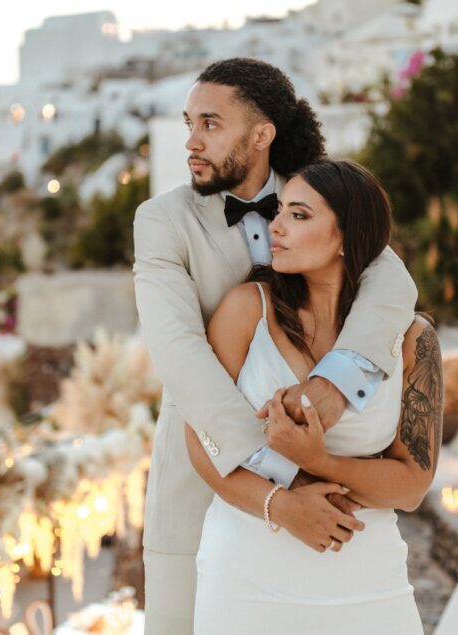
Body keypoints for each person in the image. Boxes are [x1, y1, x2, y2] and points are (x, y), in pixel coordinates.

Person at [133, 58, 418, 634]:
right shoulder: (162, 220)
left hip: (331, 482)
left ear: (261, 134)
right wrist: (280, 477)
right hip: (204, 468)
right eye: (189, 123)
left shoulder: (314, 195)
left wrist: (335, 388)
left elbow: (392, 283)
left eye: (210, 124)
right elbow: (180, 354)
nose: (192, 141)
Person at [186, 159, 442, 634]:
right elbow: (202, 442)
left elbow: (412, 485)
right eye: (279, 211)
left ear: (347, 236)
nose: (275, 226)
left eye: (299, 215)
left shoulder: (412, 339)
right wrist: (280, 507)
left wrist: (320, 462)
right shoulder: (246, 311)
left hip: (365, 576)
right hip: (247, 572)